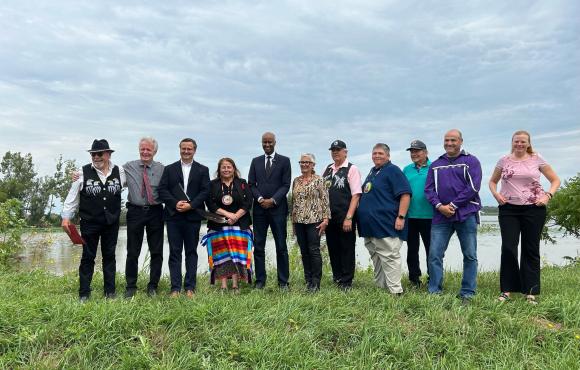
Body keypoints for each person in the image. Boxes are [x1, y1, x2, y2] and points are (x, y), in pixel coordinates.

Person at [489, 130, 560, 304]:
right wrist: (497, 195)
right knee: (508, 248)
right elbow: (492, 181)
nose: (519, 144)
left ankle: (530, 292)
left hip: (534, 209)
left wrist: (547, 196)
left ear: (528, 143)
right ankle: (506, 291)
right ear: (512, 142)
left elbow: (555, 180)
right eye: (516, 141)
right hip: (509, 210)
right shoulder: (503, 160)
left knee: (530, 249)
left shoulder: (537, 158)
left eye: (523, 142)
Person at [61, 139, 125, 302]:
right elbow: (72, 199)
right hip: (90, 222)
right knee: (88, 257)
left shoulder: (121, 172)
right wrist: (66, 218)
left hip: (111, 222)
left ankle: (110, 292)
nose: (96, 157)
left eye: (99, 154)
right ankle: (84, 293)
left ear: (108, 154)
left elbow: (136, 181)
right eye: (93, 154)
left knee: (109, 256)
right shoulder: (81, 175)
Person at [425, 129, 482, 303]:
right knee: (434, 254)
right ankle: (434, 291)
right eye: (447, 140)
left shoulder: (471, 161)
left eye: (453, 140)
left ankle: (467, 292)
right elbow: (429, 189)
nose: (449, 143)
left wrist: (453, 205)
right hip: (441, 217)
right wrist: (439, 206)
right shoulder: (435, 164)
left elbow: (473, 187)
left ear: (461, 141)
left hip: (466, 214)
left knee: (470, 255)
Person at [158, 138, 210, 298]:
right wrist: (175, 203)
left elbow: (205, 191)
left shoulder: (202, 169)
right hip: (174, 216)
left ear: (195, 150)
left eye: (189, 149)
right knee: (174, 252)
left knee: (191, 252)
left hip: (192, 216)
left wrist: (191, 205)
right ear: (179, 149)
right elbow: (162, 190)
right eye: (183, 149)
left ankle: (190, 288)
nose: (186, 151)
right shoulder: (169, 169)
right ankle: (175, 288)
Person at [357, 143, 411, 295]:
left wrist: (401, 217)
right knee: (376, 257)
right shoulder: (373, 171)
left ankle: (396, 291)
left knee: (389, 257)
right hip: (370, 226)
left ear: (388, 155)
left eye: (380, 153)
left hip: (386, 224)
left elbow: (405, 194)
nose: (377, 156)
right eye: (374, 153)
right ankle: (381, 287)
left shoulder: (393, 170)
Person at [202, 158, 254, 294]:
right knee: (222, 255)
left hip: (240, 223)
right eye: (223, 167)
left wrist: (236, 216)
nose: (226, 170)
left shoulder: (242, 183)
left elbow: (248, 202)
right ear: (219, 170)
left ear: (233, 169)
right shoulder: (213, 184)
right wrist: (228, 215)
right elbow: (210, 204)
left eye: (228, 167)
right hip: (219, 224)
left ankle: (236, 285)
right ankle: (224, 285)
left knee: (236, 254)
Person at [248, 132, 292, 290]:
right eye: (264, 142)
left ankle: (283, 282)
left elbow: (286, 185)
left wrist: (273, 200)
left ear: (275, 142)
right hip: (259, 210)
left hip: (278, 209)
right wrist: (260, 199)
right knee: (258, 246)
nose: (267, 145)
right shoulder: (255, 161)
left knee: (281, 246)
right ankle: (260, 281)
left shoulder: (285, 161)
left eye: (269, 142)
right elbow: (251, 184)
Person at [123, 137, 165, 298]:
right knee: (132, 251)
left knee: (156, 251)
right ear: (139, 150)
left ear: (154, 151)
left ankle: (153, 286)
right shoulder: (128, 167)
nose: (145, 152)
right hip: (135, 211)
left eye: (148, 149)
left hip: (155, 212)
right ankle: (131, 286)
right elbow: (107, 170)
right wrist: (79, 175)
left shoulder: (161, 169)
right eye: (143, 149)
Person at [322, 140, 362, 290]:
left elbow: (356, 195)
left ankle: (346, 281)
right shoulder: (328, 169)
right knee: (333, 248)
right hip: (330, 217)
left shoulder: (352, 169)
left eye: (338, 150)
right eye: (333, 150)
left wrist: (349, 217)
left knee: (346, 248)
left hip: (345, 216)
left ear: (345, 151)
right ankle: (337, 277)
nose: (335, 152)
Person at [291, 153, 330, 292]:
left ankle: (316, 283)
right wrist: (293, 224)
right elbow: (293, 203)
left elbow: (325, 201)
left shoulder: (319, 180)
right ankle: (308, 281)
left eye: (307, 162)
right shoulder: (296, 181)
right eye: (302, 162)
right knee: (304, 251)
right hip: (299, 221)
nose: (304, 164)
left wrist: (325, 219)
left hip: (315, 221)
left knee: (314, 250)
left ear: (313, 165)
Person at [402, 139, 433, 287]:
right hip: (410, 216)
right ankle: (414, 279)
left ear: (425, 152)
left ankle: (433, 278)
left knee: (432, 250)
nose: (414, 154)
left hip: (430, 216)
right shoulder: (407, 169)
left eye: (417, 151)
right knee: (412, 250)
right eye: (412, 151)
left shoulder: (435, 167)